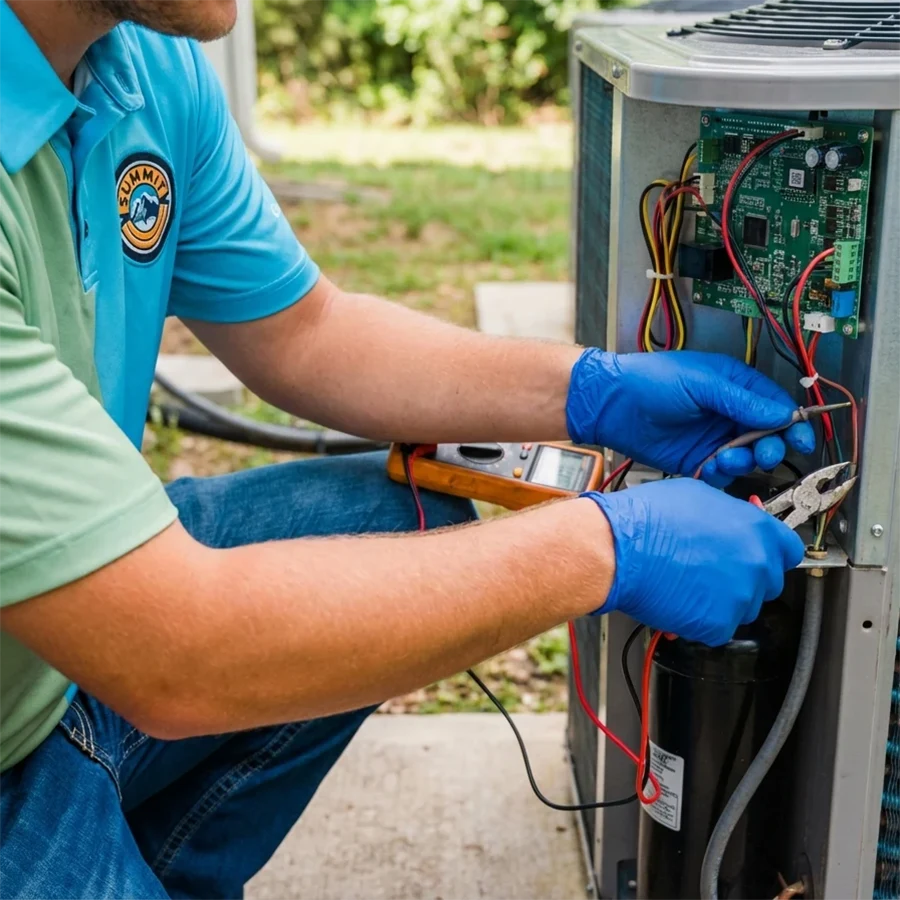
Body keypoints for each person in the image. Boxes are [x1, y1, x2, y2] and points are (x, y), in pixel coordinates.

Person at [0, 1, 815, 897]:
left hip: (55, 661)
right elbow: (173, 653)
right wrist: (606, 547)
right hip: (43, 721)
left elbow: (306, 332)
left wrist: (591, 392)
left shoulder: (141, 61)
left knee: (394, 517)